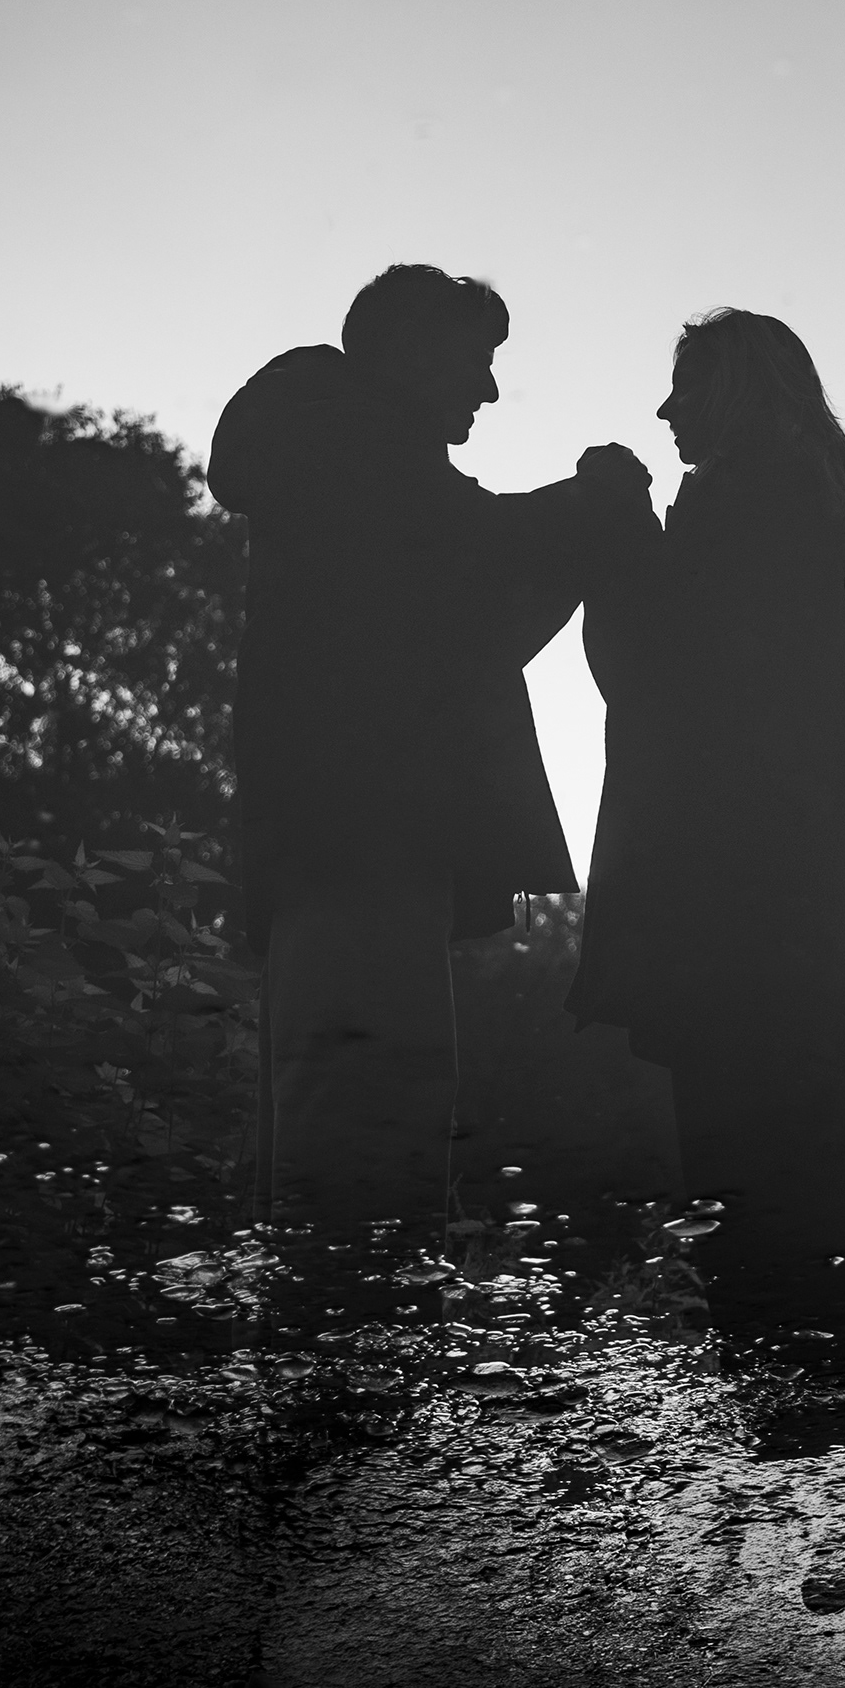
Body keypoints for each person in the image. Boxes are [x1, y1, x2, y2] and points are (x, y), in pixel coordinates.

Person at [207, 263, 648, 1234]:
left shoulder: (338, 454)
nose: (488, 389)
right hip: (361, 842)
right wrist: (600, 500)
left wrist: (582, 518)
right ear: (411, 350)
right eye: (476, 360)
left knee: (355, 1126)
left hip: (355, 848)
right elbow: (477, 551)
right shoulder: (346, 445)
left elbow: (472, 597)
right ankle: (354, 1326)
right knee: (366, 1136)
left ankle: (342, 1319)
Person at [568, 308, 845, 1342]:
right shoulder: (785, 507)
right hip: (774, 900)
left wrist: (615, 516)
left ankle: (808, 1382)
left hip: (722, 902)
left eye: (686, 386)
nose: (664, 409)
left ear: (735, 393)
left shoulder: (745, 508)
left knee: (748, 1148)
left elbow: (655, 666)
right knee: (809, 1130)